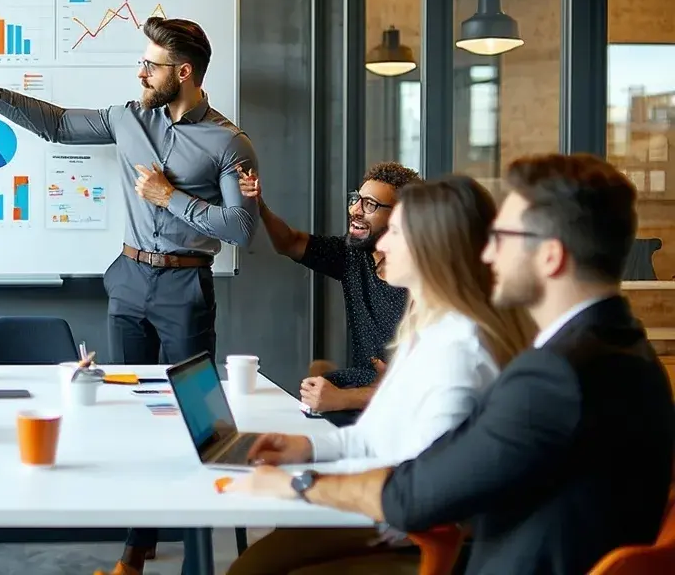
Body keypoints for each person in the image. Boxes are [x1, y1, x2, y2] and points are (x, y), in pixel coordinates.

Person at [224, 153, 675, 575]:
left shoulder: (554, 376)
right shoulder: (622, 351)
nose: (488, 254)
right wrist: (310, 453)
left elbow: (417, 496)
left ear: (550, 257)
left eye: (503, 237)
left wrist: (299, 484)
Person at [0, 17, 257, 575]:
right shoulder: (128, 119)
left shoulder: (229, 142)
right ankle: (135, 549)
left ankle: (196, 560)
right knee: (131, 415)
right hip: (128, 281)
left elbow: (241, 228)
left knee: (195, 421)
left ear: (183, 73)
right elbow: (57, 125)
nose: (141, 72)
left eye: (151, 65)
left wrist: (170, 197)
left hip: (185, 286)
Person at [226, 175, 536, 575]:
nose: (383, 245)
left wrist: (300, 484)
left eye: (397, 233)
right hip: (393, 510)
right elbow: (372, 436)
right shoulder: (426, 330)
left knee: (255, 568)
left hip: (419, 534)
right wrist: (304, 447)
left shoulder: (462, 351)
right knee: (258, 561)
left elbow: (421, 491)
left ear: (433, 250)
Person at [240, 161, 419, 414]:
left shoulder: (426, 284)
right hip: (366, 388)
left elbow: (418, 386)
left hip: (399, 403)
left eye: (370, 204)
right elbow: (289, 243)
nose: (355, 209)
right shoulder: (354, 254)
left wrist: (343, 398)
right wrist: (259, 205)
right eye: (356, 199)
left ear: (402, 217)